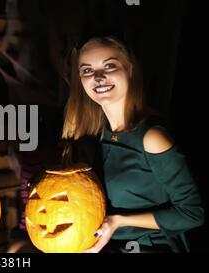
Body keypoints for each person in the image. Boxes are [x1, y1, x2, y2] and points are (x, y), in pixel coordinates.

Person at [61, 36, 204, 253]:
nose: (98, 77)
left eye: (110, 65)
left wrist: (120, 221)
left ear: (130, 69)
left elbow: (192, 213)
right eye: (87, 70)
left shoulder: (152, 138)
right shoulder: (98, 137)